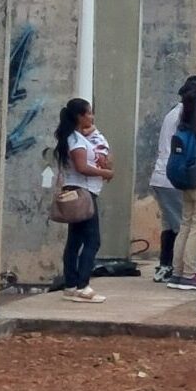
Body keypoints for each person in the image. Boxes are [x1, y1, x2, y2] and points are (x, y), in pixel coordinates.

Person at [147, 75, 196, 283]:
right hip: (176, 176)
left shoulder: (177, 114)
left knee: (177, 226)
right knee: (188, 227)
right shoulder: (186, 117)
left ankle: (173, 268)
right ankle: (184, 271)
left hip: (168, 175)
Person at [53, 98, 112, 303]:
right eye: (88, 113)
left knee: (75, 240)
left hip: (79, 191)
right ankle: (82, 285)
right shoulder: (76, 141)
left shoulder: (75, 137)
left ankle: (71, 284)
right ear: (80, 116)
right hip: (83, 192)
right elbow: (82, 167)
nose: (91, 117)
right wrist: (105, 172)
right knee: (92, 240)